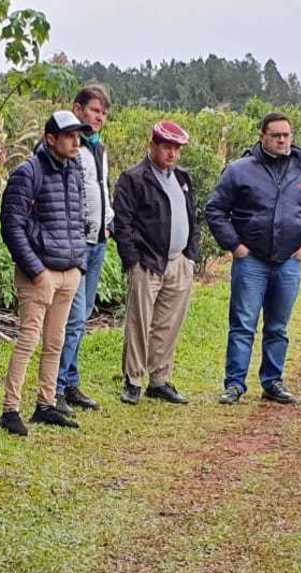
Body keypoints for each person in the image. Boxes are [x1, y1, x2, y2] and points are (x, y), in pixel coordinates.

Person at [206, 112, 301, 405]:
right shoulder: (239, 170)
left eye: (286, 135)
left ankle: (273, 382)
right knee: (243, 324)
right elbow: (215, 210)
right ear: (262, 136)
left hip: (289, 261)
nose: (282, 140)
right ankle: (235, 384)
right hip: (251, 260)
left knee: (278, 326)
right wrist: (235, 245)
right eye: (275, 135)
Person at [0, 110, 90, 436]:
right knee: (28, 340)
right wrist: (36, 270)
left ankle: (46, 404)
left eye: (79, 135)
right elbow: (12, 226)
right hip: (40, 273)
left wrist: (79, 263)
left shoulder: (73, 170)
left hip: (68, 271)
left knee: (55, 342)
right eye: (69, 135)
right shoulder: (28, 172)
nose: (76, 141)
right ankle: (10, 409)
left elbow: (79, 219)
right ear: (51, 139)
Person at [112, 120, 200, 405]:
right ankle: (133, 380)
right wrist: (132, 261)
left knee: (169, 322)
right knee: (140, 322)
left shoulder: (183, 178)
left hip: (178, 262)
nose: (172, 154)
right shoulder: (134, 178)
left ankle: (159, 379)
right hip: (147, 261)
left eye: (176, 149)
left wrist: (191, 256)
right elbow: (122, 224)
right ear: (152, 146)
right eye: (166, 147)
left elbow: (192, 217)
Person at [55, 85, 114, 415]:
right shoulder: (67, 147)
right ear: (78, 109)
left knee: (84, 316)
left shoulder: (98, 149)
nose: (100, 118)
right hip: (76, 244)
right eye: (95, 111)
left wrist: (110, 222)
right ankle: (57, 388)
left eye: (103, 113)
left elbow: (102, 189)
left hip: (98, 241)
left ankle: (71, 381)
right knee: (73, 319)